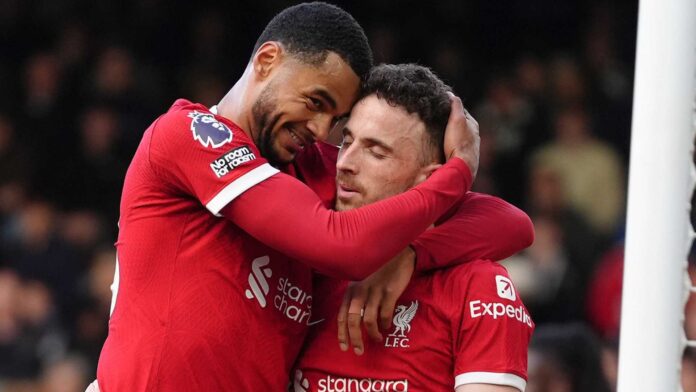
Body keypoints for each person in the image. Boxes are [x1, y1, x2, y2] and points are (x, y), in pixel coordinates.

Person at [94, 3, 529, 391]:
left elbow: (511, 224)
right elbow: (342, 246)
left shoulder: (309, 167)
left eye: (335, 118)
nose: (322, 131)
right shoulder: (187, 135)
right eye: (315, 101)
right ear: (267, 60)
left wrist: (411, 254)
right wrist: (461, 167)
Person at [293, 64, 534, 392]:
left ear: (432, 179)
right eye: (346, 141)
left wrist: (406, 254)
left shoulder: (479, 286)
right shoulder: (306, 258)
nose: (346, 163)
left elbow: (517, 223)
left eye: (376, 153)